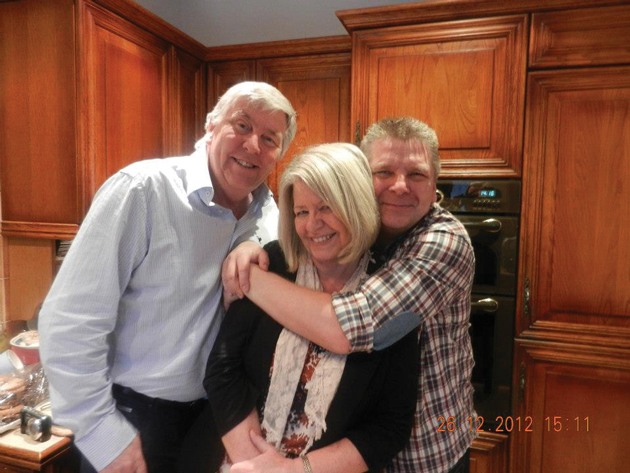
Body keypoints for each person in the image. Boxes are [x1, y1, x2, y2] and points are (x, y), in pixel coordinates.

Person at [38, 82, 297, 473]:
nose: (253, 145)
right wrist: (103, 435)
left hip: (212, 424)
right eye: (241, 126)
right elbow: (70, 322)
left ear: (279, 153)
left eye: (269, 138)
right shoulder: (143, 191)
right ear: (211, 126)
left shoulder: (270, 217)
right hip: (130, 421)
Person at [223, 117, 476, 473]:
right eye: (384, 172)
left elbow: (349, 327)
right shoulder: (350, 242)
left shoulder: (442, 242)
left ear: (435, 182)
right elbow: (224, 368)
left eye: (416, 174)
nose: (400, 187)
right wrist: (250, 246)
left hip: (426, 453)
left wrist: (247, 276)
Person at [205, 143, 419, 473]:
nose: (312, 225)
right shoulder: (273, 263)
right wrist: (253, 464)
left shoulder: (387, 291)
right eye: (302, 212)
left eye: (326, 208)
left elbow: (388, 427)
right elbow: (222, 368)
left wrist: (297, 470)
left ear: (356, 206)